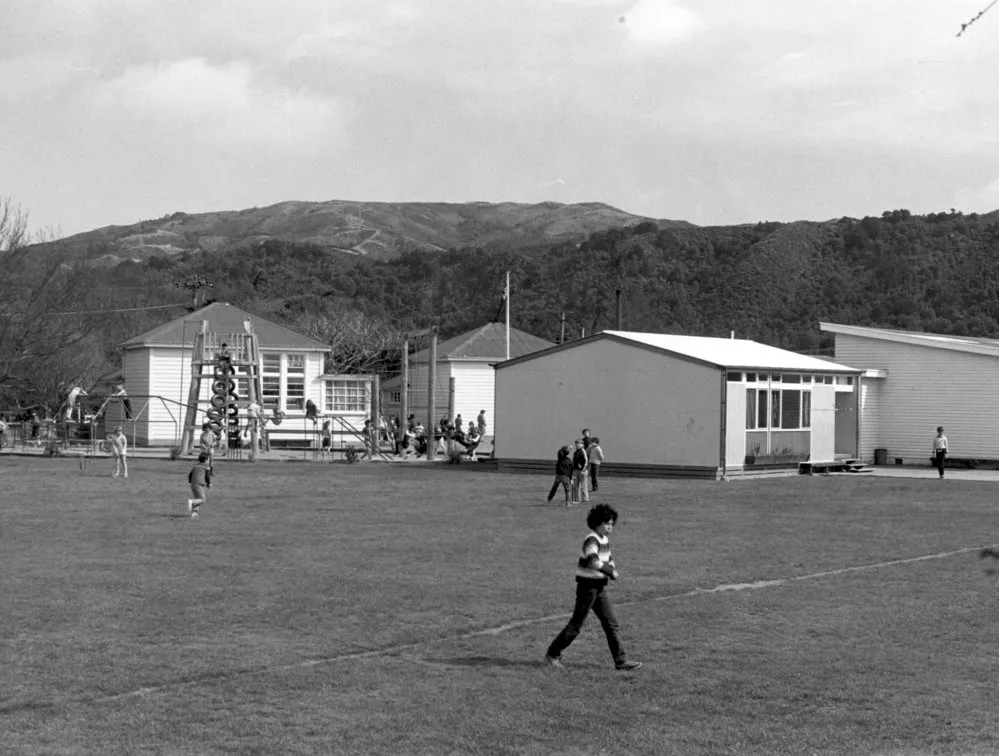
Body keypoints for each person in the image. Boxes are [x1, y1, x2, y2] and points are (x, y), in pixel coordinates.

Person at [544, 503, 641, 672]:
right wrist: (611, 571)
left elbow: (608, 558)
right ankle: (552, 654)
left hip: (599, 587)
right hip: (587, 587)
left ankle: (621, 661)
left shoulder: (604, 540)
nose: (610, 526)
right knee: (576, 625)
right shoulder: (591, 540)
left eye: (612, 523)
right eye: (607, 523)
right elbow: (593, 561)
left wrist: (611, 568)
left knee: (611, 624)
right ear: (597, 523)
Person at [187, 452, 213, 519]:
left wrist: (191, 481)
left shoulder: (196, 465)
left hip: (193, 484)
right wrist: (209, 483)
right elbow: (207, 476)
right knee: (202, 500)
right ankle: (191, 501)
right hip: (199, 484)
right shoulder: (206, 466)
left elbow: (190, 475)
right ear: (206, 459)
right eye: (209, 459)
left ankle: (194, 513)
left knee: (197, 499)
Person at [571, 439, 589, 504]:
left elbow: (586, 461)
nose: (577, 445)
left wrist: (583, 469)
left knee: (583, 486)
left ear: (582, 445)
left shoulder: (583, 451)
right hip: (576, 471)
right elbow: (574, 462)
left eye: (579, 444)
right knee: (576, 486)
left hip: (582, 471)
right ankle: (577, 499)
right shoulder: (576, 452)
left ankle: (585, 499)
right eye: (576, 444)